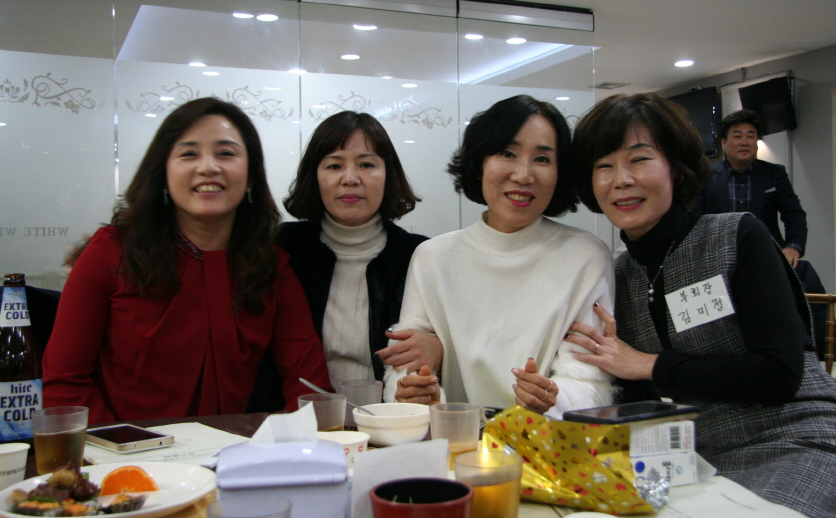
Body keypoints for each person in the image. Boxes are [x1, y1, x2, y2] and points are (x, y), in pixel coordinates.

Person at [568, 92, 836, 518]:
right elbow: (638, 394)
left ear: (676, 167)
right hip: (689, 457)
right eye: (604, 166)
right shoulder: (618, 274)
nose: (622, 179)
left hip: (792, 439)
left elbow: (780, 373)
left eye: (639, 159)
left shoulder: (735, 236)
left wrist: (650, 364)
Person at [43, 97, 332, 424]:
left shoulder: (271, 268)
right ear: (163, 172)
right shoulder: (110, 253)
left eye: (226, 153)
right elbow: (65, 385)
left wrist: (284, 441)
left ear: (251, 176)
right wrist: (125, 448)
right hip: (124, 451)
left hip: (236, 452)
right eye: (189, 154)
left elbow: (310, 387)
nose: (208, 167)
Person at [387, 95, 616, 419]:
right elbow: (404, 364)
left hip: (547, 442)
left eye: (542, 159)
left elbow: (589, 378)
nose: (523, 175)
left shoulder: (585, 256)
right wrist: (418, 392)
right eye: (508, 153)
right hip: (457, 439)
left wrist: (553, 397)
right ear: (480, 161)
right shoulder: (433, 257)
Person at [248, 111, 435, 411]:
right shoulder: (282, 249)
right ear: (315, 176)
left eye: (366, 164)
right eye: (334, 165)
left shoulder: (419, 255)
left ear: (388, 175)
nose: (350, 179)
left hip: (389, 420)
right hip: (295, 420)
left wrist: (438, 349)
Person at [693, 109, 807, 267]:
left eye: (751, 136)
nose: (744, 142)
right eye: (737, 136)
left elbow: (793, 214)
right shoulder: (706, 175)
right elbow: (694, 218)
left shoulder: (774, 173)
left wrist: (793, 246)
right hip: (718, 258)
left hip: (765, 256)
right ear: (724, 143)